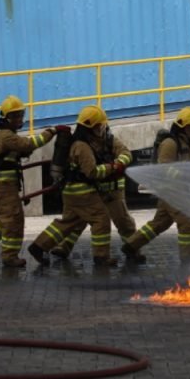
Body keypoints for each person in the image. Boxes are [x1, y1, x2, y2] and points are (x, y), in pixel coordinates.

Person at [0, 95, 64, 267]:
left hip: (5, 184)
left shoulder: (5, 132)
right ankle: (9, 257)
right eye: (15, 115)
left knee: (9, 218)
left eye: (20, 114)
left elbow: (15, 151)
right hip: (2, 185)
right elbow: (28, 144)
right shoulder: (5, 134)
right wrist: (52, 131)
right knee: (13, 220)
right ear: (6, 117)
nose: (19, 119)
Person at [28, 105, 125, 267]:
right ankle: (101, 257)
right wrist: (112, 167)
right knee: (101, 220)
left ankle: (38, 246)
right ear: (92, 127)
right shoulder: (83, 146)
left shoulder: (77, 142)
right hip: (83, 192)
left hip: (71, 191)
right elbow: (91, 172)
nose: (102, 128)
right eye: (99, 125)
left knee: (68, 223)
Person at [122, 106, 190, 263]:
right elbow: (163, 168)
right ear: (183, 126)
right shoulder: (170, 143)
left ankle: (131, 245)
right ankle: (188, 259)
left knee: (160, 223)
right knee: (188, 221)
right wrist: (185, 175)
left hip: (183, 191)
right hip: (170, 191)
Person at [48, 123, 135, 260]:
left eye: (100, 126)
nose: (98, 129)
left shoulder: (110, 140)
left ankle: (133, 248)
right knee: (79, 220)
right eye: (95, 127)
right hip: (94, 190)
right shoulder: (83, 144)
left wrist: (120, 163)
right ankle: (64, 247)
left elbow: (126, 153)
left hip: (113, 190)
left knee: (124, 222)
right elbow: (91, 170)